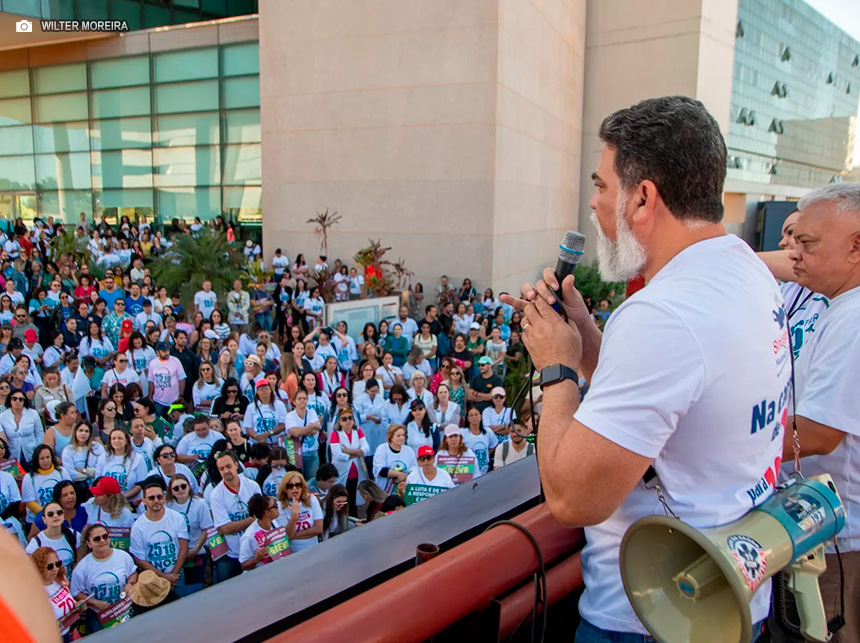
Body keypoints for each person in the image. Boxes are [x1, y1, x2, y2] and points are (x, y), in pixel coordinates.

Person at [500, 96, 786, 641]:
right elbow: (679, 396)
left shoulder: (663, 312)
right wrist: (586, 342)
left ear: (643, 198)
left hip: (652, 617)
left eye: (603, 186)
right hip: (728, 597)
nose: (593, 203)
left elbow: (571, 498)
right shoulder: (745, 270)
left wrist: (557, 369)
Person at [771, 184, 860, 641]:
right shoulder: (837, 307)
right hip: (818, 528)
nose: (794, 255)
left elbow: (819, 434)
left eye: (807, 244)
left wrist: (720, 448)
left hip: (839, 543)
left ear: (855, 246)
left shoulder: (854, 318)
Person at [70, 523, 138, 632]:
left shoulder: (123, 556)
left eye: (105, 536)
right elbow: (75, 593)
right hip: (99, 616)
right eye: (97, 539)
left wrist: (130, 584)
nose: (102, 540)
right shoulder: (82, 568)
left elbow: (133, 573)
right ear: (89, 544)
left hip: (124, 609)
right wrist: (95, 603)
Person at [210, 450, 261, 582]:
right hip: (230, 555)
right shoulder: (216, 494)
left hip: (254, 551)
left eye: (228, 466)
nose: (226, 471)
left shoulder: (252, 486)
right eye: (221, 469)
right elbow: (224, 529)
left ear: (236, 465)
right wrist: (252, 519)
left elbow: (261, 517)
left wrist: (253, 519)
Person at [129, 479, 188, 586]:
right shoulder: (138, 526)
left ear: (164, 498)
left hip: (177, 574)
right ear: (144, 501)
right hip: (152, 580)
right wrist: (164, 577)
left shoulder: (177, 517)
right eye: (151, 498)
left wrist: (173, 575)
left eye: (159, 497)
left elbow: (183, 548)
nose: (156, 500)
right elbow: (140, 559)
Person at [165, 473, 212, 593]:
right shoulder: (168, 506)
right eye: (176, 488)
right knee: (178, 589)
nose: (180, 490)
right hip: (176, 554)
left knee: (195, 587)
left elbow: (206, 528)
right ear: (171, 491)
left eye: (183, 486)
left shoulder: (200, 503)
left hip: (196, 552)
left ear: (189, 486)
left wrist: (196, 548)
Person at [31, 546, 82, 639]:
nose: (55, 569)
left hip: (68, 633)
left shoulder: (60, 580)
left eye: (57, 564)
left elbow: (69, 602)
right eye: (50, 566)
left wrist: (78, 605)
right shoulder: (35, 593)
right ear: (39, 568)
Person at [328, 408, 369, 517]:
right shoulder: (335, 434)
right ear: (339, 421)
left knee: (354, 498)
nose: (348, 421)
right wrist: (357, 453)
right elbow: (337, 455)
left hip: (357, 471)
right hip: (342, 471)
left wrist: (348, 451)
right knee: (342, 498)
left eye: (350, 418)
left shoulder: (358, 431)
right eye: (344, 419)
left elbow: (366, 449)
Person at [22, 444, 70, 526]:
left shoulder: (61, 472)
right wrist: (48, 516)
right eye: (42, 458)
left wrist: (59, 514)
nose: (46, 460)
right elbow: (30, 503)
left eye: (48, 457)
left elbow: (69, 491)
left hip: (61, 516)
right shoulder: (29, 477)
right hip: (38, 520)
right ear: (37, 460)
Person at [95, 428, 147, 503]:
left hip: (130, 502)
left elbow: (141, 484)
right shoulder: (103, 457)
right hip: (108, 502)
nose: (116, 441)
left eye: (120, 438)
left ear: (126, 440)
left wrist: (122, 497)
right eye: (113, 438)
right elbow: (98, 480)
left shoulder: (138, 458)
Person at [25, 501, 80, 571]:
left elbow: (79, 563)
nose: (55, 516)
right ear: (44, 519)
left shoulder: (75, 535)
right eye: (50, 514)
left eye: (59, 513)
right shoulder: (37, 542)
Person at [277, 471, 323, 553]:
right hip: (294, 552)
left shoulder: (312, 499)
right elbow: (287, 536)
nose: (294, 488)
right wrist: (294, 515)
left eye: (298, 485)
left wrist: (295, 535)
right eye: (290, 486)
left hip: (314, 549)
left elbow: (318, 529)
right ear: (285, 489)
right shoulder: (280, 506)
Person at [239, 493, 284, 570]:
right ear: (267, 512)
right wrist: (256, 560)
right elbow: (243, 565)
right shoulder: (249, 536)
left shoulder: (274, 522)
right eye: (275, 505)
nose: (278, 508)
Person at [285, 388, 322, 479]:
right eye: (299, 398)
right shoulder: (290, 416)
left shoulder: (312, 412)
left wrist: (301, 430)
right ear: (294, 401)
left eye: (304, 398)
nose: (302, 400)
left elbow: (317, 429)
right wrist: (312, 426)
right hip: (296, 454)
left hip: (312, 453)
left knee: (312, 480)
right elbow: (296, 432)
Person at [372, 424, 416, 494]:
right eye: (398, 436)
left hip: (403, 488)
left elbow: (414, 468)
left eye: (403, 435)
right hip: (384, 490)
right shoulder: (382, 449)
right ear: (391, 437)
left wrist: (405, 477)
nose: (401, 438)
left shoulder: (409, 450)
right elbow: (380, 470)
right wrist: (399, 474)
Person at [243, 378, 288, 445]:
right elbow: (248, 427)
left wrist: (268, 433)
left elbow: (283, 425)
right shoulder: (251, 407)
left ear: (270, 390)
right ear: (257, 392)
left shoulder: (279, 405)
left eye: (266, 388)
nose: (264, 391)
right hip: (257, 444)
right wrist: (257, 437)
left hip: (276, 443)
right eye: (261, 389)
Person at [147, 341, 186, 417]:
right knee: (160, 421)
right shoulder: (153, 363)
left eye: (168, 350)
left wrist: (181, 395)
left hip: (174, 400)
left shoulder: (176, 361)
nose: (167, 353)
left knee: (174, 421)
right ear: (157, 352)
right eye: (164, 351)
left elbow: (182, 379)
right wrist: (150, 396)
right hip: (158, 400)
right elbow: (151, 381)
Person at [462, 405, 499, 475]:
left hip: (485, 468)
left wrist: (487, 453)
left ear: (480, 416)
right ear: (468, 418)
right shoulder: (463, 432)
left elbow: (494, 445)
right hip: (468, 469)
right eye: (471, 415)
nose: (474, 417)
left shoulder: (488, 431)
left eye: (476, 414)